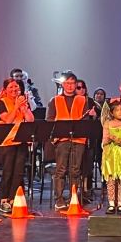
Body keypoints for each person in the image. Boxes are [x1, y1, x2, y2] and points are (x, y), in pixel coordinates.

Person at [46, 72, 92, 210]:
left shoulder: (82, 100)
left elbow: (85, 120)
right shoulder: (55, 100)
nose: (70, 86)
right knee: (61, 170)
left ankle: (73, 197)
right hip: (62, 139)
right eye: (67, 83)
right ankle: (59, 199)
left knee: (75, 170)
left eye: (73, 83)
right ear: (63, 84)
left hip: (78, 139)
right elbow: (50, 119)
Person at [0, 78, 34, 214]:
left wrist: (24, 108)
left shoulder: (23, 102)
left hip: (21, 140)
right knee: (8, 172)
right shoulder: (2, 103)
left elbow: (30, 120)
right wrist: (16, 106)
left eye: (16, 87)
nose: (14, 90)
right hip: (7, 142)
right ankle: (3, 200)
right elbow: (7, 121)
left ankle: (13, 199)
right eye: (11, 87)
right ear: (5, 90)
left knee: (18, 172)